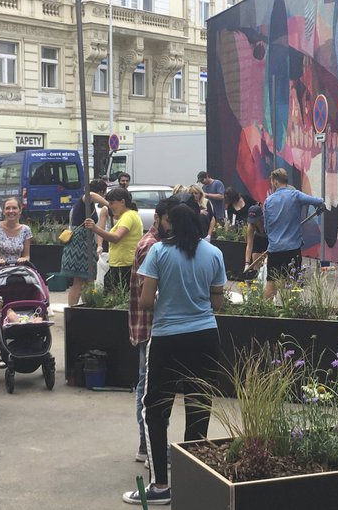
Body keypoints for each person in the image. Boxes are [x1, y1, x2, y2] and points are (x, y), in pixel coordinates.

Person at [122, 197, 226, 506]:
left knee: (156, 409)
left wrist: (170, 299)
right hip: (206, 336)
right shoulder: (214, 253)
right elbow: (217, 303)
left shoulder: (158, 251)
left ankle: (161, 486)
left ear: (171, 224)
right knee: (198, 404)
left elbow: (144, 301)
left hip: (168, 339)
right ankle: (194, 482)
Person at [127, 198, 171, 464]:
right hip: (149, 326)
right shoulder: (151, 246)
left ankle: (150, 445)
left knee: (151, 386)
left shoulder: (156, 244)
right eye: (169, 221)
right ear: (157, 218)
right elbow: (149, 295)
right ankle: (147, 446)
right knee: (147, 389)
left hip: (152, 326)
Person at [262, 168, 325, 299]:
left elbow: (266, 228)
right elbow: (318, 201)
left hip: (275, 249)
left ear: (275, 182)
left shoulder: (268, 201)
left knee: (271, 282)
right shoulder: (295, 195)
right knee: (293, 282)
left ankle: (265, 312)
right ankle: (292, 311)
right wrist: (320, 206)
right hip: (292, 249)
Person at [84, 187, 143, 291]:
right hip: (120, 264)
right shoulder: (128, 216)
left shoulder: (128, 216)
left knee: (115, 294)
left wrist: (95, 228)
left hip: (124, 265)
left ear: (122, 202)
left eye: (112, 203)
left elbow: (116, 237)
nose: (110, 206)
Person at [62, 179, 108, 306]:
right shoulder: (85, 200)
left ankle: (86, 307)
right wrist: (108, 204)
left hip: (84, 244)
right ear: (100, 192)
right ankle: (72, 310)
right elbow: (91, 195)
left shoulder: (88, 206)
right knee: (79, 280)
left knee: (88, 280)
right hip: (80, 245)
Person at [0, 197, 32, 265]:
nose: (11, 211)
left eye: (14, 208)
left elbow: (26, 256)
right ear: (3, 211)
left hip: (18, 270)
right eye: (8, 208)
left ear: (20, 211)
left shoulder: (26, 230)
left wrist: (23, 259)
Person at [244, 204, 268, 273]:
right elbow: (249, 245)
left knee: (268, 264)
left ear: (261, 217)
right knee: (256, 261)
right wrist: (247, 263)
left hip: (270, 240)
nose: (253, 222)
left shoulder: (268, 223)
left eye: (255, 220)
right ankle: (256, 278)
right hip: (258, 239)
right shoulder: (251, 226)